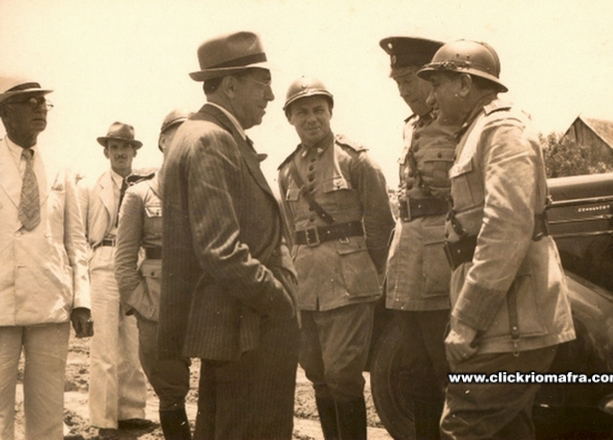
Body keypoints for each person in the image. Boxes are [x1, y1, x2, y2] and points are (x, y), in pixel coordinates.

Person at [416, 40, 576, 439]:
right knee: (508, 431)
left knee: (463, 426)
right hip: (505, 322)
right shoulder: (478, 132)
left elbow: (506, 228)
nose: (430, 98)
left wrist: (468, 321)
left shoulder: (502, 130)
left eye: (437, 85)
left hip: (512, 325)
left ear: (464, 85)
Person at [158, 31, 299, 440]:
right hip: (249, 328)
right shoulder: (212, 139)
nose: (270, 95)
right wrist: (281, 301)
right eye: (262, 82)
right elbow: (221, 250)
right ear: (231, 85)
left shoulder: (199, 134)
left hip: (233, 328)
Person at [278, 76, 395, 440]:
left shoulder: (356, 160)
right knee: (316, 372)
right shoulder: (286, 171)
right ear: (290, 119)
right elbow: (289, 231)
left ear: (330, 112)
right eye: (302, 112)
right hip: (305, 284)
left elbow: (381, 224)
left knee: (343, 374)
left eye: (318, 110)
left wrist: (369, 273)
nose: (311, 118)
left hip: (349, 282)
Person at [0, 79, 92, 439]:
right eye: (29, 102)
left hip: (51, 305)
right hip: (1, 306)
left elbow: (75, 240)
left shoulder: (60, 169)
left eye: (43, 103)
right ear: (5, 112)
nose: (39, 108)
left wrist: (82, 301)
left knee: (48, 413)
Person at [379, 36, 458, 440]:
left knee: (447, 367)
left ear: (431, 77)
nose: (403, 91)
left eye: (408, 79)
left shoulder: (460, 124)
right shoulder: (412, 126)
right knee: (414, 369)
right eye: (397, 82)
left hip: (440, 261)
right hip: (408, 259)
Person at [115, 109, 193, 440]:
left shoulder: (208, 189)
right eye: (178, 135)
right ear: (162, 141)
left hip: (204, 299)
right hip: (157, 302)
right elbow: (123, 261)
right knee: (170, 388)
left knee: (220, 385)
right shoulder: (140, 194)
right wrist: (141, 305)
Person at [81, 122, 151, 438]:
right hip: (104, 259)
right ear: (106, 152)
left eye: (126, 147)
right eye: (115, 147)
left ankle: (132, 412)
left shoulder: (146, 187)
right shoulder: (90, 187)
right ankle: (104, 418)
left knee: (133, 341)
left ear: (134, 152)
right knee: (105, 343)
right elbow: (81, 233)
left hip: (135, 264)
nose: (120, 152)